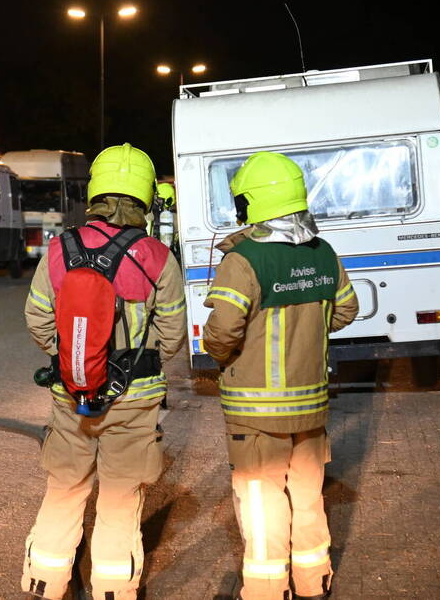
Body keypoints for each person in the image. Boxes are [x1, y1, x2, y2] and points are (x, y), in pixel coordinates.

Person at [22, 143, 187, 600]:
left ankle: (45, 582)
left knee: (64, 488)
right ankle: (113, 589)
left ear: (95, 193)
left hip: (70, 396)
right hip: (134, 401)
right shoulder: (157, 257)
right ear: (144, 197)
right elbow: (172, 337)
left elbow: (37, 319)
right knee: (119, 497)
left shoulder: (58, 249)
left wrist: (75, 360)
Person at [201, 152, 359, 600]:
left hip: (256, 413)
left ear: (252, 203)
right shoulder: (323, 253)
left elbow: (223, 331)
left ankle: (268, 591)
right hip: (311, 407)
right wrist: (307, 331)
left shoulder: (244, 259)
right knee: (308, 496)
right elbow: (347, 309)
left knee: (261, 500)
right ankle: (315, 583)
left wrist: (219, 352)